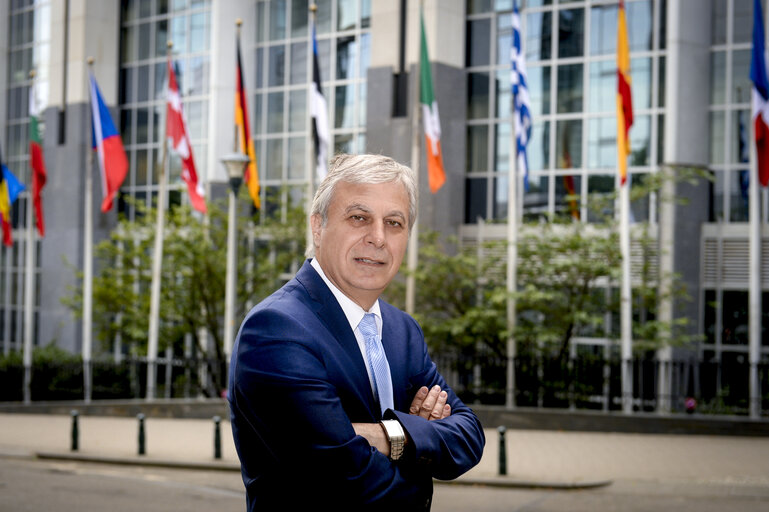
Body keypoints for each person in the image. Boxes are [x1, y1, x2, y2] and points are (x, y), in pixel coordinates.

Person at [228, 153, 485, 510]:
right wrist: (419, 440)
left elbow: (469, 437)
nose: (378, 237)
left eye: (394, 222)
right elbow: (346, 481)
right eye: (359, 217)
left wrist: (383, 435)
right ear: (318, 226)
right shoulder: (276, 329)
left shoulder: (403, 331)